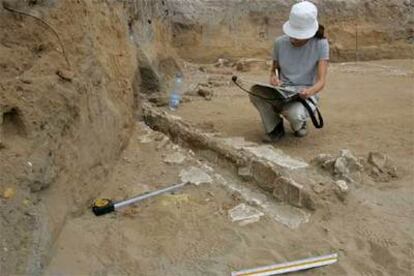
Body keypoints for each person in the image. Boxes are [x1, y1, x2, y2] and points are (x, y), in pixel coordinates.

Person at [250, 1, 329, 143]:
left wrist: (309, 92)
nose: (294, 38)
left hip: (305, 94)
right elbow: (274, 69)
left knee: (295, 114)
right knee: (255, 92)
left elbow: (321, 81)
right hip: (283, 91)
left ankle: (300, 122)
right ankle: (275, 127)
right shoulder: (280, 42)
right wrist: (274, 77)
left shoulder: (321, 44)